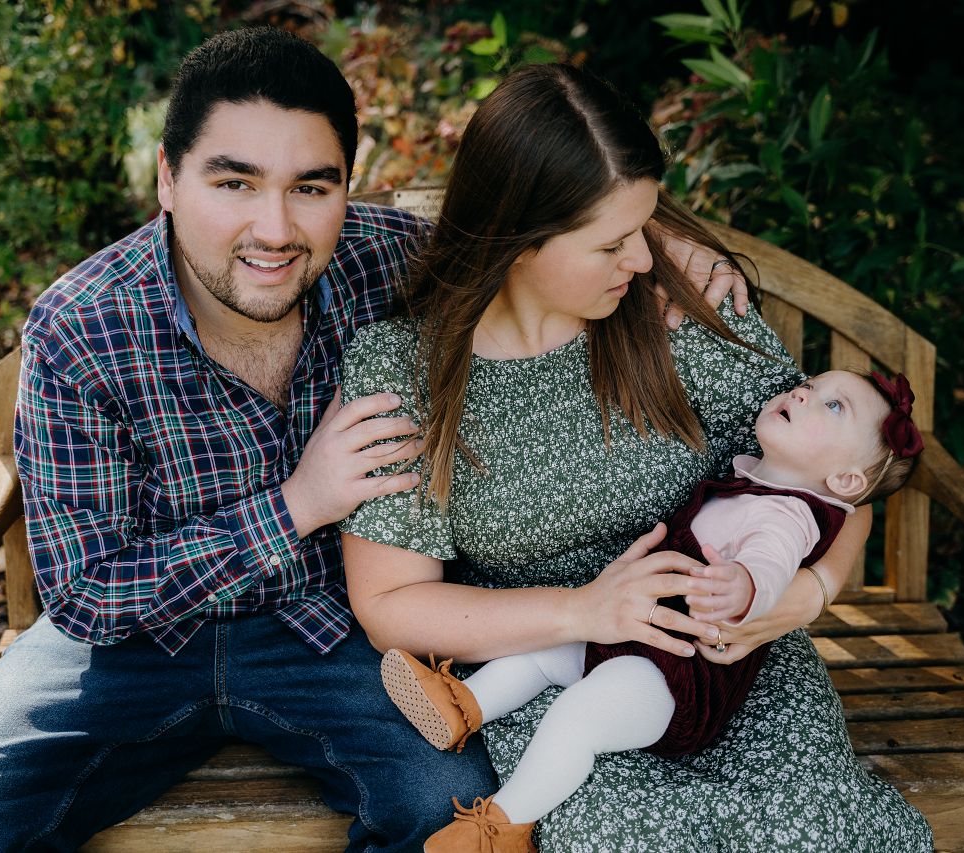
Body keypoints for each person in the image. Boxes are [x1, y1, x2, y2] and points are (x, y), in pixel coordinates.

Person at [0, 29, 749, 853]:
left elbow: (522, 224)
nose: (275, 229)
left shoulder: (387, 260)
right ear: (168, 178)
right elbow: (85, 595)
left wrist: (665, 244)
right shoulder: (83, 329)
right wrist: (298, 504)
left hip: (333, 631)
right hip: (128, 653)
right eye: (234, 183)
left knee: (440, 809)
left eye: (311, 187)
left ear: (346, 187)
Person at [339, 64, 934, 851]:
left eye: (647, 229)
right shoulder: (408, 371)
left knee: (814, 825)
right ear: (519, 239)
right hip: (553, 670)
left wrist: (809, 592)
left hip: (734, 667)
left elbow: (838, 491)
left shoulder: (680, 309)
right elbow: (389, 602)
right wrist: (581, 610)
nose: (646, 260)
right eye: (612, 243)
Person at [380, 370, 924, 851]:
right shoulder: (755, 485)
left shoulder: (787, 516)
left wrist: (744, 587)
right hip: (634, 632)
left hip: (676, 673)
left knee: (575, 717)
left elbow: (771, 565)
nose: (802, 393)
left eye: (833, 405)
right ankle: (464, 704)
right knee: (543, 654)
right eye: (809, 385)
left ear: (846, 481)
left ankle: (501, 827)